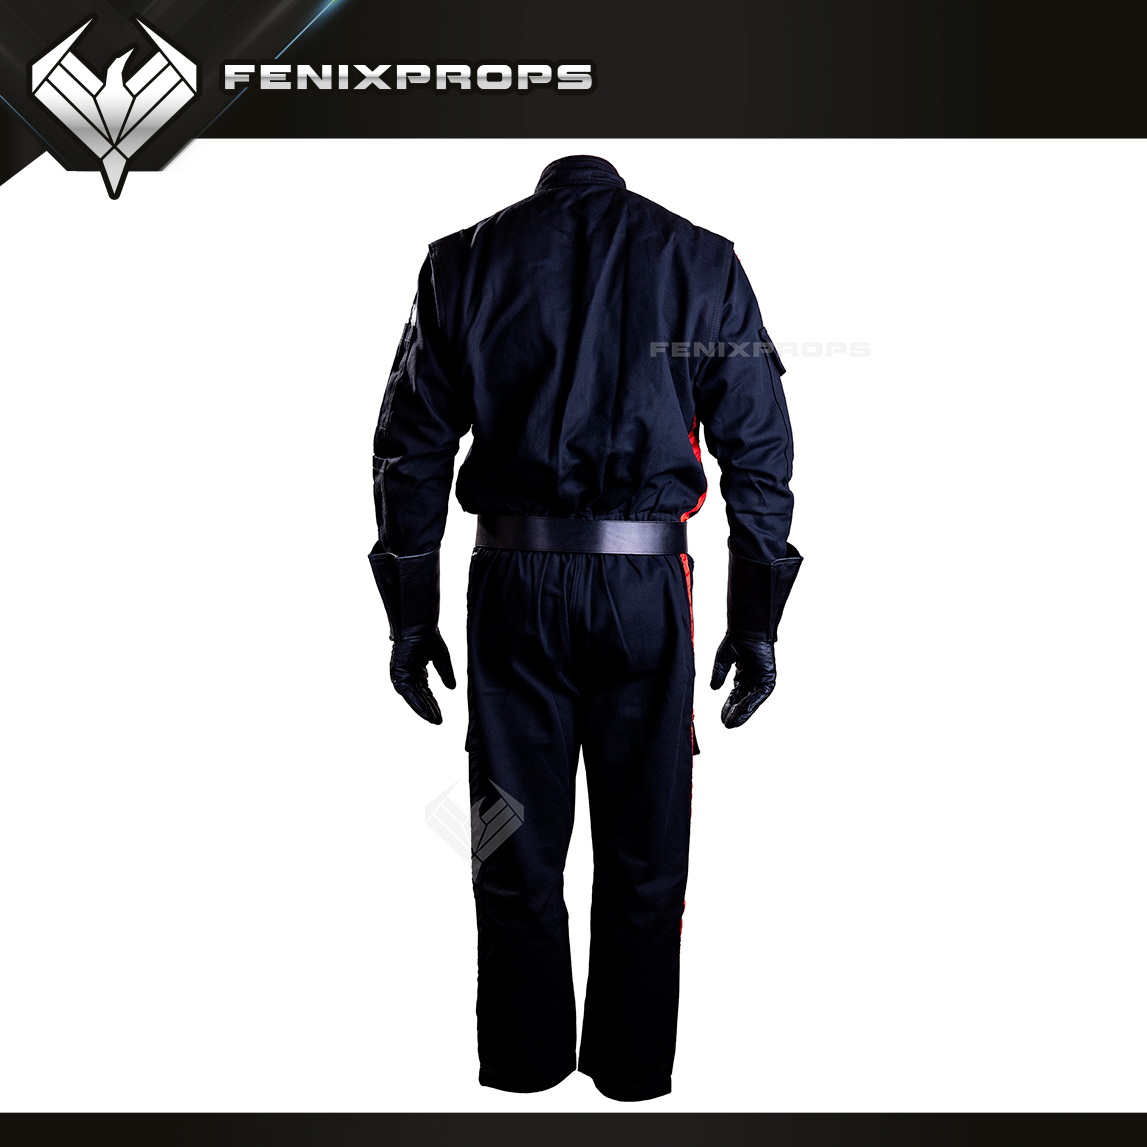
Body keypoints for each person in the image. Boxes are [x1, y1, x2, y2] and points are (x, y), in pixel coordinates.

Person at [369, 155, 802, 1101]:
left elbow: (410, 447)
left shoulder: (461, 262)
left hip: (511, 592)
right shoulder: (700, 260)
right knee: (648, 850)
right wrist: (756, 619)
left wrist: (410, 613)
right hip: (645, 591)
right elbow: (758, 451)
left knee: (507, 840)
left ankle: (523, 1066)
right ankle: (631, 1070)